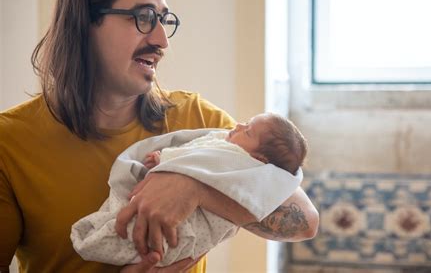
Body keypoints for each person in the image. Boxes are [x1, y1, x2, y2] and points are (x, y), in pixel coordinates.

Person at [0, 0, 319, 272]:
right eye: (143, 17)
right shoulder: (9, 143)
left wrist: (194, 187)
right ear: (84, 21)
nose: (161, 40)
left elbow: (305, 221)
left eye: (164, 20)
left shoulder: (199, 122)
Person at [71, 113, 307, 267]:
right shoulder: (226, 140)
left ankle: (104, 237)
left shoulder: (238, 156)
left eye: (247, 131)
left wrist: (193, 186)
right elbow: (202, 154)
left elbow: (308, 223)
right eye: (246, 121)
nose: (238, 125)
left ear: (259, 158)